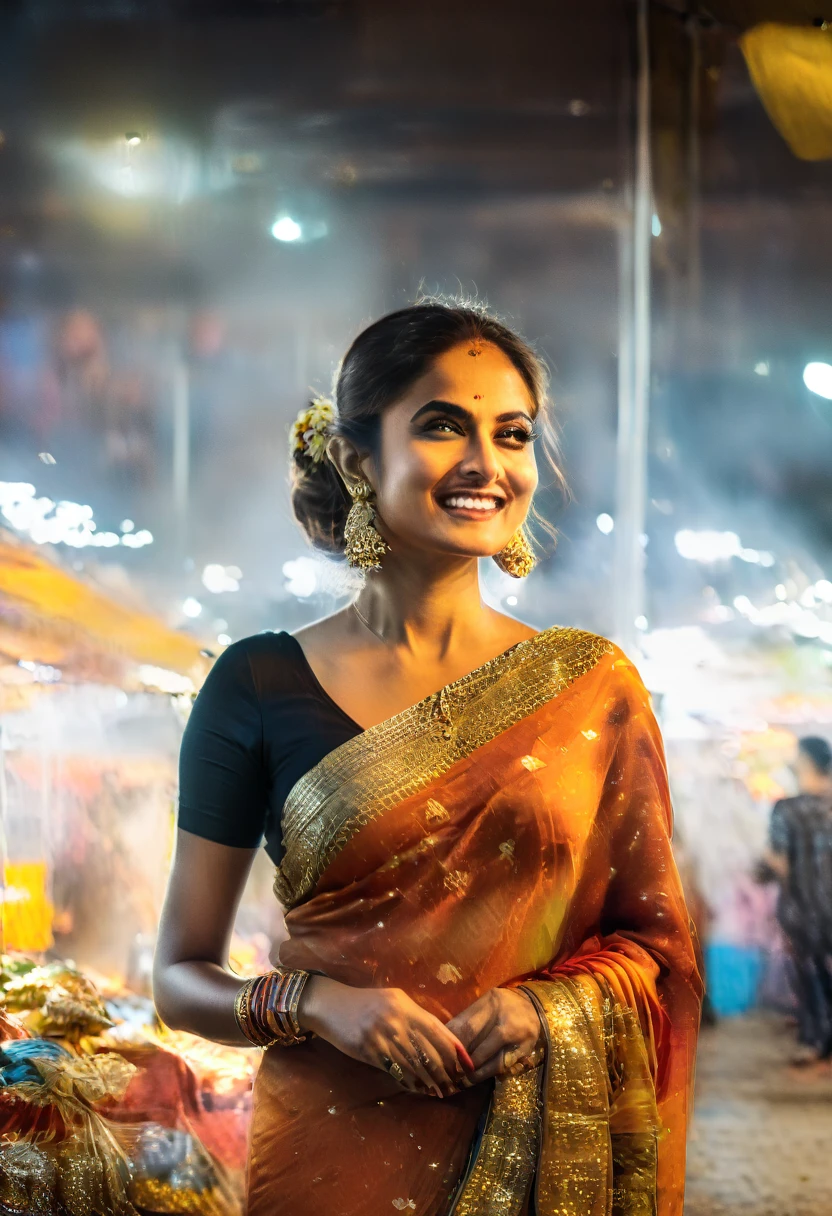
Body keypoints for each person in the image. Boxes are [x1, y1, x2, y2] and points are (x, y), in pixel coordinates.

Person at [153, 300, 702, 1216]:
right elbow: (179, 977)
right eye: (444, 426)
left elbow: (654, 945)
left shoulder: (592, 690)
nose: (487, 464)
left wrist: (543, 1010)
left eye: (513, 433)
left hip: (532, 1147)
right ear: (357, 458)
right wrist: (318, 1004)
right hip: (330, 1150)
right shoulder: (256, 682)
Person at [762, 735, 832, 1071]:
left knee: (808, 972)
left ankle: (815, 1040)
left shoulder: (786, 809)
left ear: (804, 762)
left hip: (804, 908)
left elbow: (781, 863)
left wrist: (764, 862)